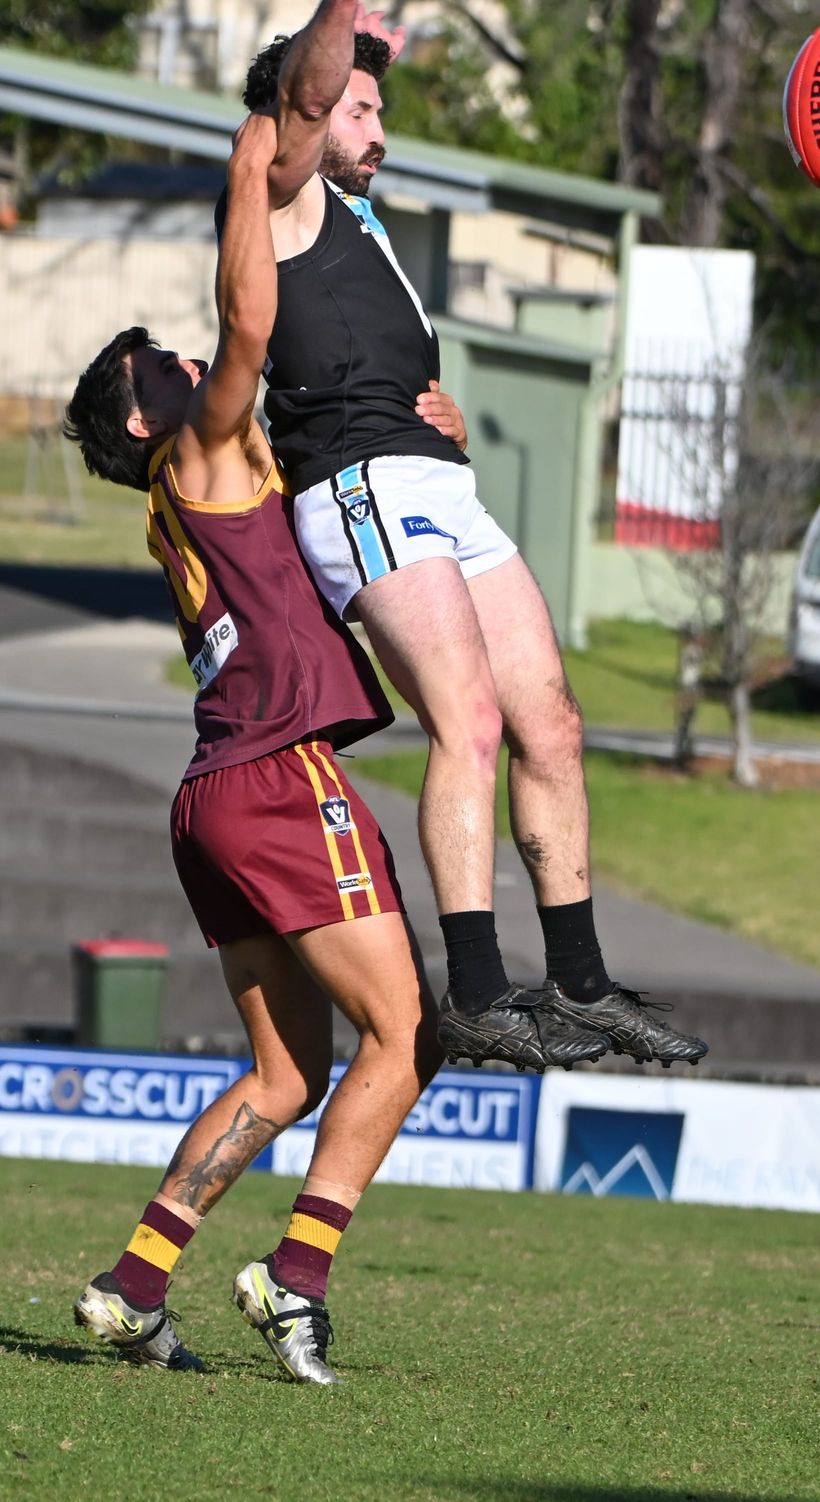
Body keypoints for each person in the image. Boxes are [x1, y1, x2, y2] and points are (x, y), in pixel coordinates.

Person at [63, 29, 607, 1386]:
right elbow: (255, 324)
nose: (181, 360)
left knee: (285, 1076)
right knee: (409, 1031)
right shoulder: (199, 443)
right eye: (155, 366)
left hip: (212, 798)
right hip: (272, 776)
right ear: (142, 425)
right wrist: (252, 178)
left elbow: (302, 395)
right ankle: (294, 1274)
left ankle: (132, 1285)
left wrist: (421, 427)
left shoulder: (184, 499)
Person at [237, 7, 709, 1074]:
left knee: (553, 719)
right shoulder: (285, 185)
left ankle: (580, 985)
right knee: (472, 721)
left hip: (432, 480)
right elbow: (307, 97)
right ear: (301, 113)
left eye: (380, 108)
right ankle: (479, 991)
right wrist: (341, 25)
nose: (378, 126)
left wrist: (434, 412)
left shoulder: (361, 219)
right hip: (361, 488)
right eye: (362, 108)